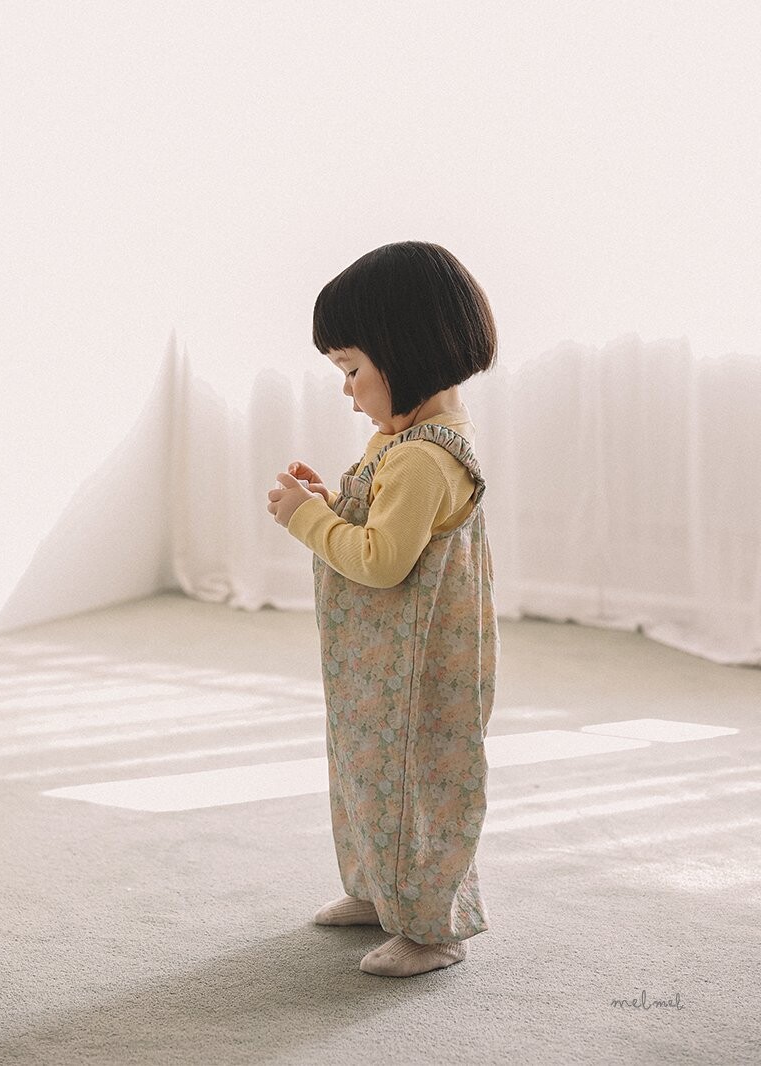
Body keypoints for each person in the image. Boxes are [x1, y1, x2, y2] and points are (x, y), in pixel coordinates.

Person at [266, 241, 500, 977]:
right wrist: (332, 503)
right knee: (365, 770)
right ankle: (379, 890)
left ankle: (433, 928)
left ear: (408, 352)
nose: (347, 391)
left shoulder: (426, 458)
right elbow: (379, 529)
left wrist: (306, 520)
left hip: (417, 668)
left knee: (416, 785)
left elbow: (382, 560)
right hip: (376, 661)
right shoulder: (397, 443)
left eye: (351, 369)